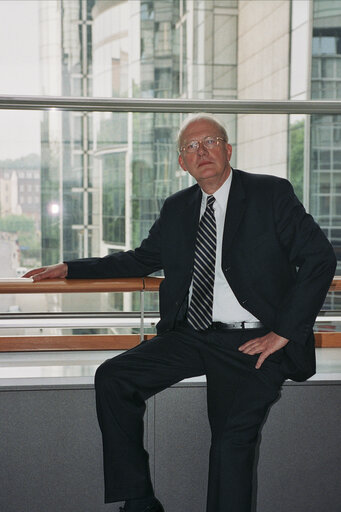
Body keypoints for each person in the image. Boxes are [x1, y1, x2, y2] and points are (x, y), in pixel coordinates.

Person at [25, 114, 336, 512]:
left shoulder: (269, 193)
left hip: (253, 340)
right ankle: (138, 501)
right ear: (181, 163)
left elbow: (319, 258)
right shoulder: (177, 208)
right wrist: (72, 268)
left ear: (227, 149)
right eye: (191, 147)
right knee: (113, 377)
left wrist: (284, 332)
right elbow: (140, 259)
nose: (201, 151)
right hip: (191, 335)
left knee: (229, 443)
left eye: (210, 141)